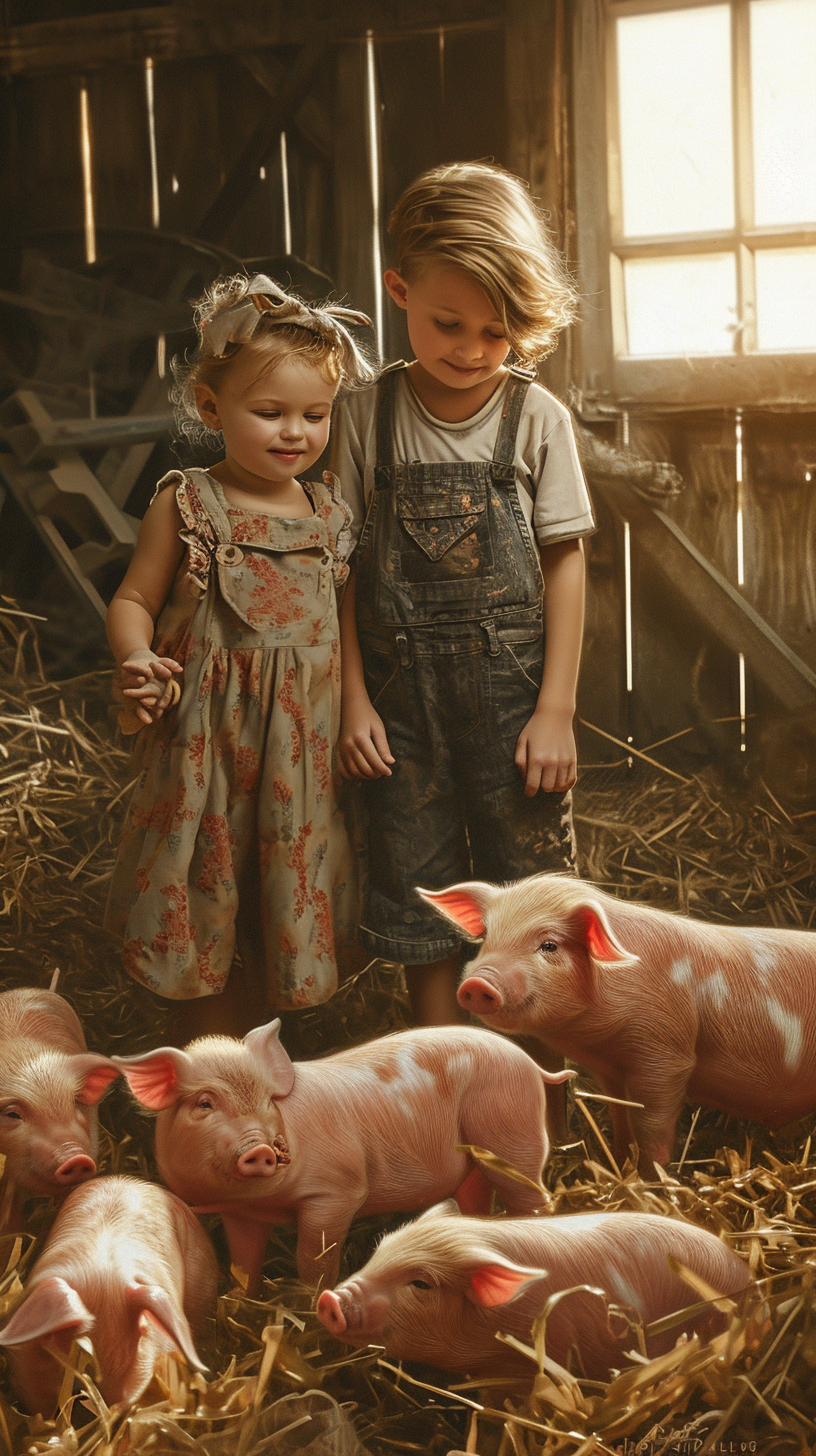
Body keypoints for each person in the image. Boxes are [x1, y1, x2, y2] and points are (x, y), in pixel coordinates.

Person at [332, 161, 595, 1035]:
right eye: (450, 323)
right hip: (400, 713)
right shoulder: (362, 416)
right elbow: (340, 566)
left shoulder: (537, 419)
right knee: (423, 897)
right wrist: (353, 697)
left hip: (513, 706)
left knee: (530, 902)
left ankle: (538, 1094)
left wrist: (555, 708)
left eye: (500, 330)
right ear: (399, 289)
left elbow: (564, 561)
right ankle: (444, 1084)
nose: (475, 348)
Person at [105, 274, 375, 1043]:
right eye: (271, 413)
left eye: (314, 415)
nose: (296, 432)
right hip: (207, 754)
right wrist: (134, 656)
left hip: (302, 758)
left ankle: (272, 1059)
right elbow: (132, 600)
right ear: (211, 408)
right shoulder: (188, 503)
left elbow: (343, 622)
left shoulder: (330, 515)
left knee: (282, 890)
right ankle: (209, 1059)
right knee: (204, 891)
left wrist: (357, 706)